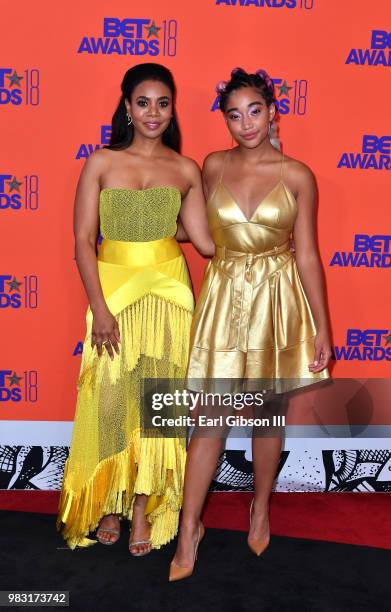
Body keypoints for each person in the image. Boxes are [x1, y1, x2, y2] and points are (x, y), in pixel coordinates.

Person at [169, 67, 332, 581]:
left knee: (266, 418)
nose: (246, 124)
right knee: (209, 421)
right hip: (222, 296)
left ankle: (259, 507)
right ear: (225, 120)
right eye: (234, 115)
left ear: (272, 110)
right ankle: (188, 527)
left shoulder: (299, 175)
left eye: (254, 111)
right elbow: (188, 229)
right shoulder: (210, 165)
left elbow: (307, 255)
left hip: (276, 299)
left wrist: (324, 327)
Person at [56, 63, 214, 556]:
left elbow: (205, 241)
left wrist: (265, 242)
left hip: (169, 295)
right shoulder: (101, 162)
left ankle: (143, 507)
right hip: (114, 295)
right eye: (143, 102)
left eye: (163, 103)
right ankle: (110, 501)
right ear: (126, 106)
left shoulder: (185, 169)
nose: (154, 113)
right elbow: (84, 240)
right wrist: (99, 309)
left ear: (173, 109)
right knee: (109, 402)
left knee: (157, 406)